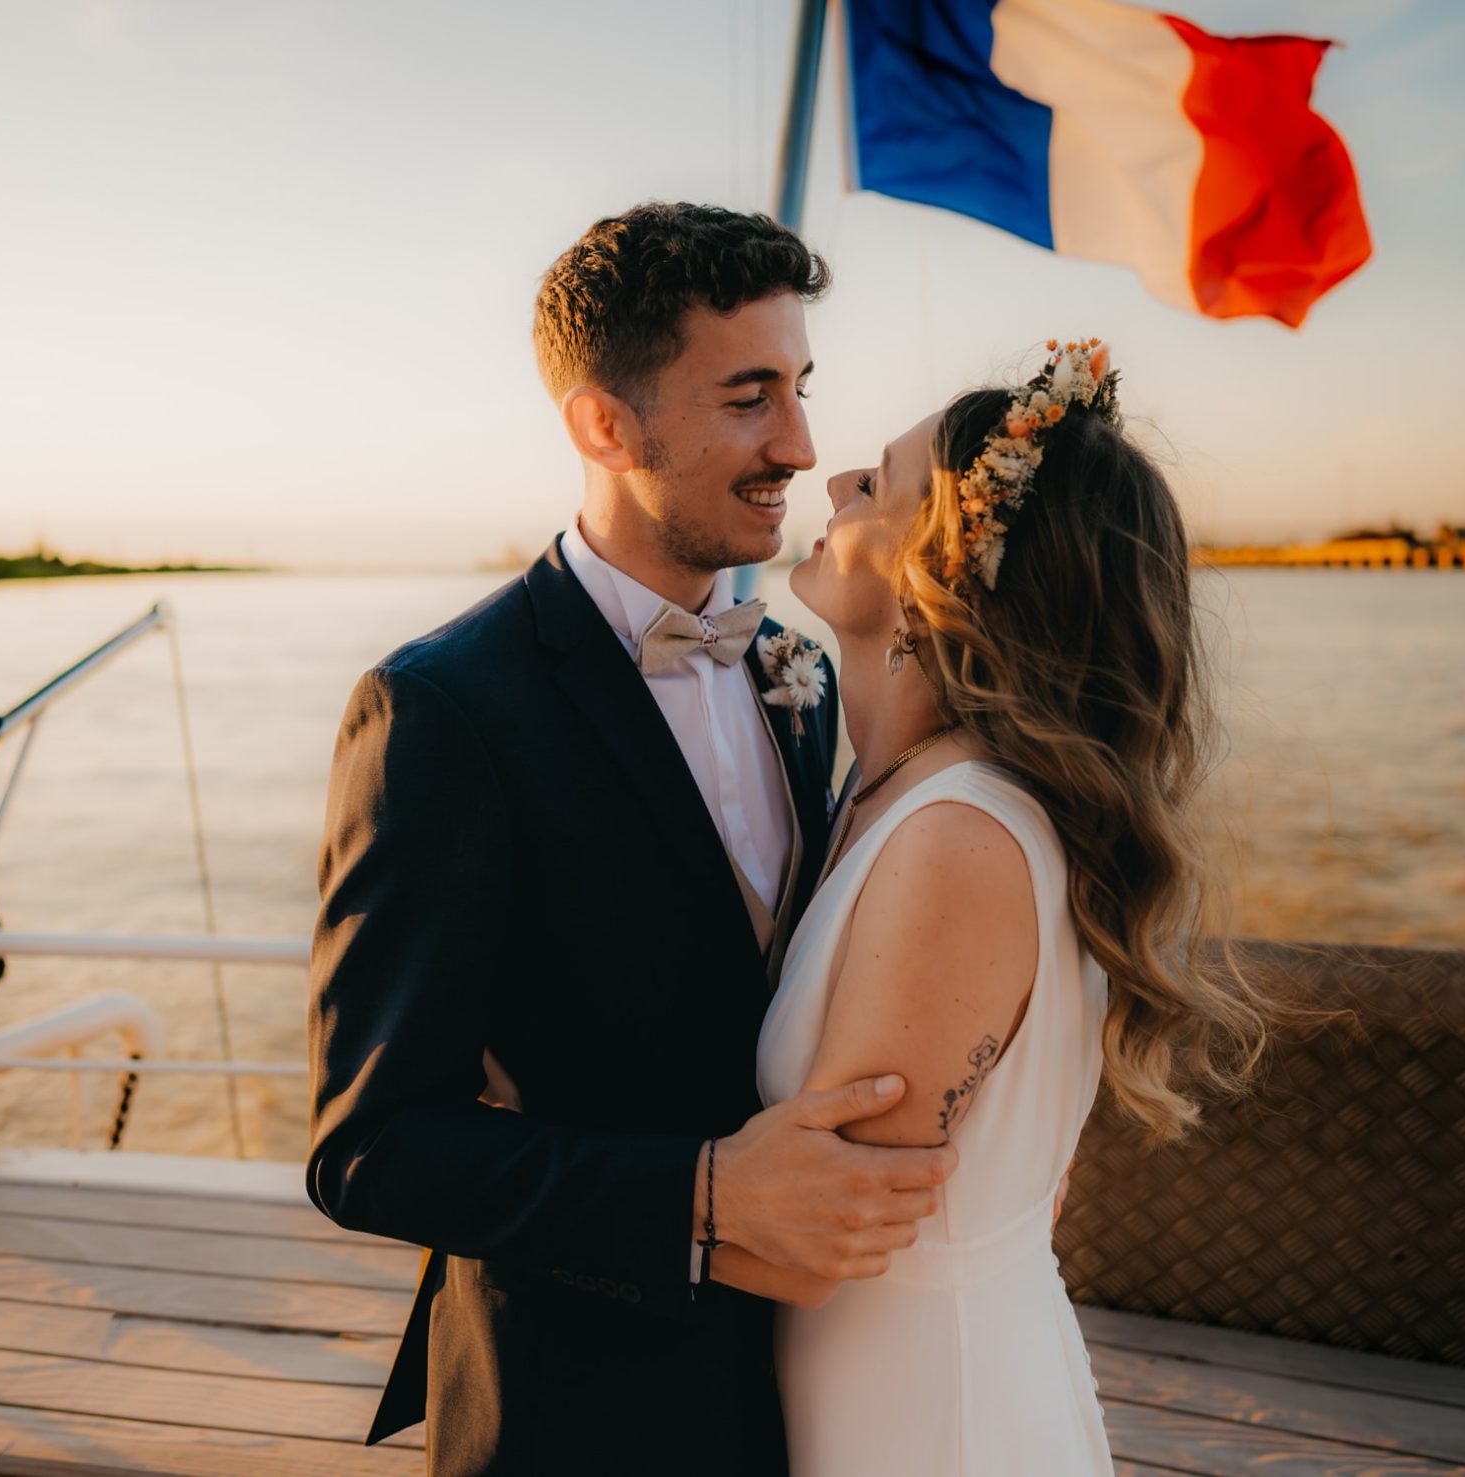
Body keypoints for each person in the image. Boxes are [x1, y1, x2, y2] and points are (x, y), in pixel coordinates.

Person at [305, 202, 953, 1476]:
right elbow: (369, 1144)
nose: (801, 443)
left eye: (802, 387)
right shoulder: (443, 708)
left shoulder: (798, 668)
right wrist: (703, 1194)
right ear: (606, 424)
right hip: (575, 1408)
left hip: (817, 1385)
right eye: (749, 397)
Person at [745, 341, 1274, 1473]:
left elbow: (815, 1239)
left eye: (877, 484)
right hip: (885, 1384)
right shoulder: (893, 794)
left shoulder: (960, 844)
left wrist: (522, 1183)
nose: (835, 485)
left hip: (931, 1418)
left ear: (954, 565)